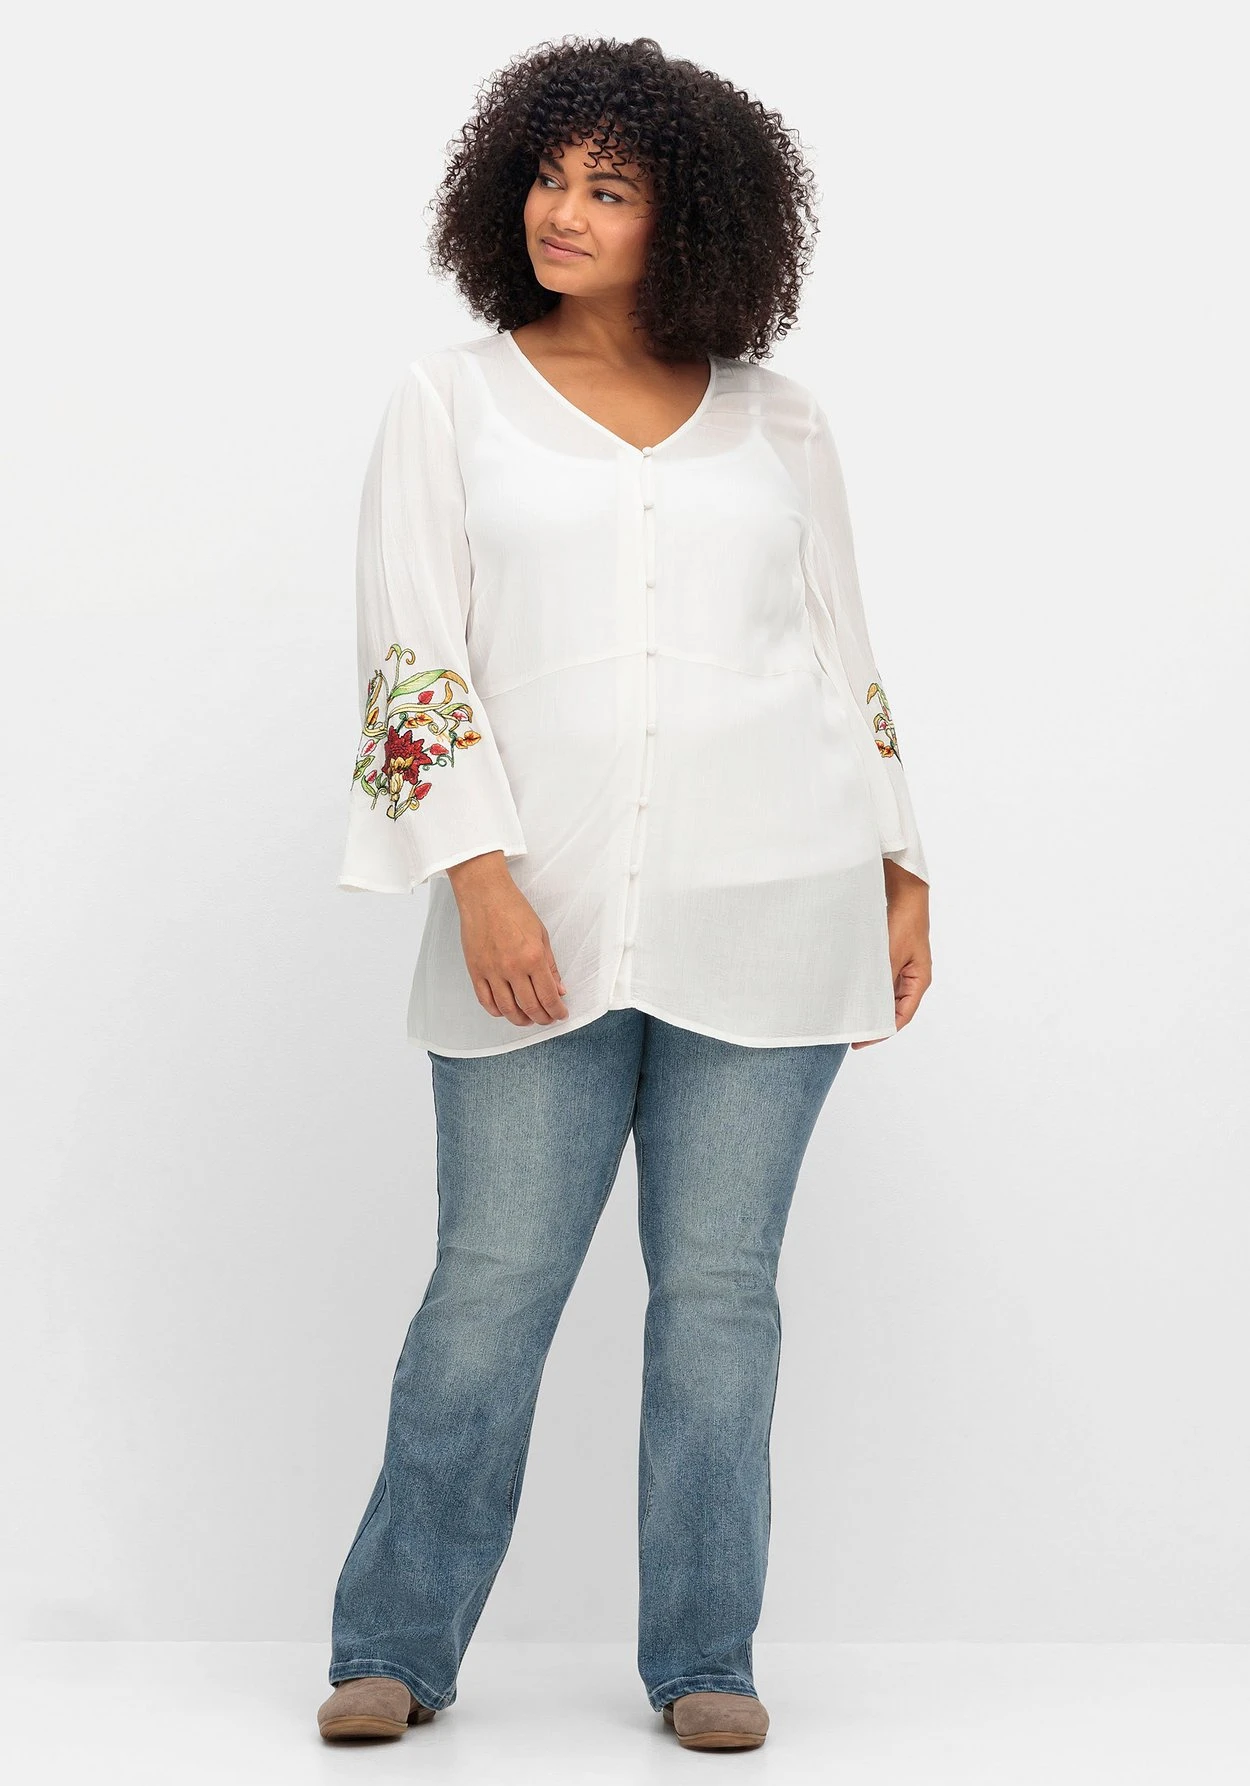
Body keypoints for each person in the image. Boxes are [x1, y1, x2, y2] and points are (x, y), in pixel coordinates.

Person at [318, 34, 932, 1753]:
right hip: (540, 916)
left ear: (693, 215)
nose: (563, 211)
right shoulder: (447, 402)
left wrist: (898, 866)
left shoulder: (779, 421)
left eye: (609, 186)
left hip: (775, 899)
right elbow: (410, 649)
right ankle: (395, 1640)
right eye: (546, 176)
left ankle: (705, 1654)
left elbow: (839, 655)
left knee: (721, 1296)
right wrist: (479, 878)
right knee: (489, 1287)